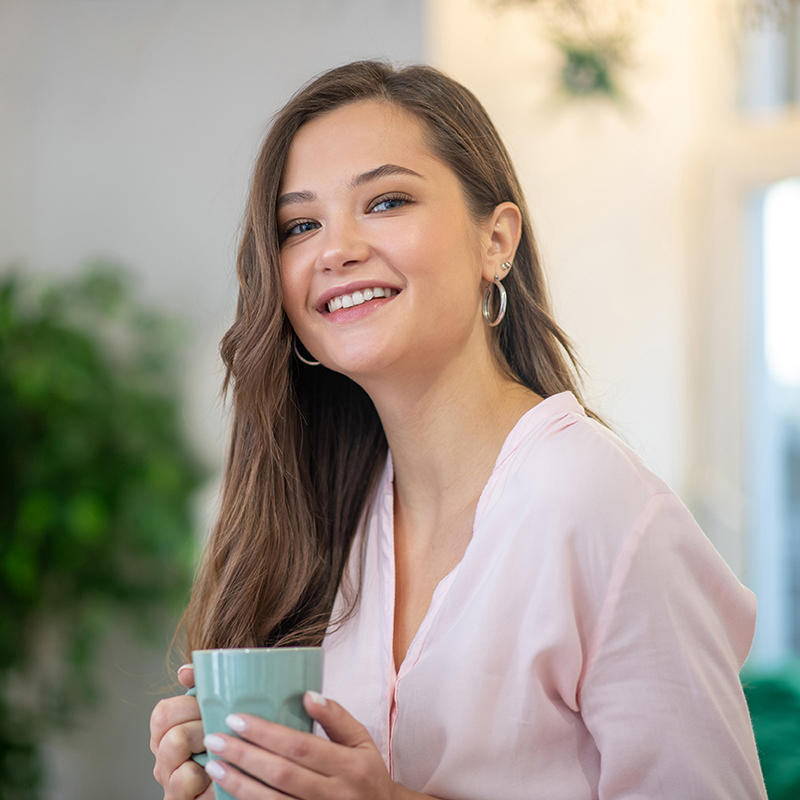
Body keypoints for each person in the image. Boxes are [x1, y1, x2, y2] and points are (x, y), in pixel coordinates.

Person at [149, 60, 767, 800]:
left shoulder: (598, 506)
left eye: (386, 201)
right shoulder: (317, 520)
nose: (335, 248)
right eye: (300, 225)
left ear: (496, 242)